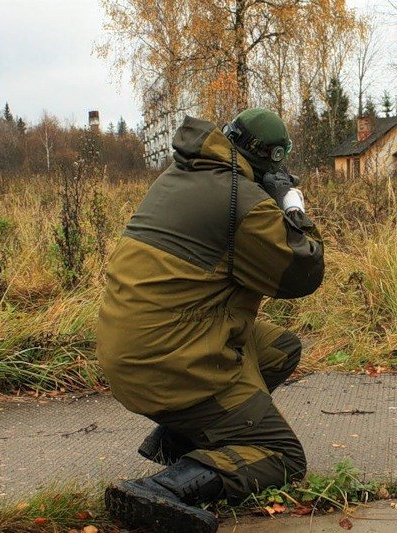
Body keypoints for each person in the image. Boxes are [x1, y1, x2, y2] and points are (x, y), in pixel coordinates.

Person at [96, 109, 324, 533]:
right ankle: (164, 487)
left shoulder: (179, 175)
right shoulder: (245, 201)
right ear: (269, 160)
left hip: (130, 348)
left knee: (280, 349)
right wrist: (290, 205)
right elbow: (304, 271)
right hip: (167, 362)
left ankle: (177, 440)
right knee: (282, 457)